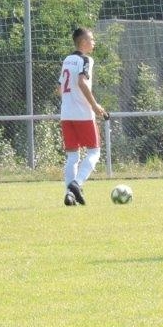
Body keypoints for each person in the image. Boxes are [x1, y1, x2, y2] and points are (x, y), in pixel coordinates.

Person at [58, 27, 107, 206]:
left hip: (66, 113)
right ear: (84, 42)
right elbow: (81, 82)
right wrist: (94, 105)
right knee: (94, 151)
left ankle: (69, 195)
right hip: (83, 114)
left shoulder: (67, 60)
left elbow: (59, 88)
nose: (94, 42)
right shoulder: (86, 60)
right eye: (91, 39)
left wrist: (70, 101)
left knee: (72, 156)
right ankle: (77, 184)